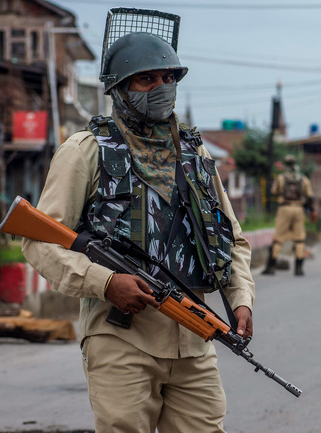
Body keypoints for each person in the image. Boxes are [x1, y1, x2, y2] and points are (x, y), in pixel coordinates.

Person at [21, 21, 255, 433]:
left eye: (168, 77)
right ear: (119, 89)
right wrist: (105, 282)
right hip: (120, 338)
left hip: (194, 336)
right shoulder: (85, 151)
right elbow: (39, 241)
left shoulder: (193, 152)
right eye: (146, 79)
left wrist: (241, 299)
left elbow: (230, 237)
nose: (161, 87)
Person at [262, 154, 315, 276]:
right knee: (300, 238)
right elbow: (310, 196)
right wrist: (311, 209)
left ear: (285, 164)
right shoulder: (303, 179)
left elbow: (274, 191)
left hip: (284, 209)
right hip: (298, 209)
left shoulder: (281, 178)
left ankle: (271, 267)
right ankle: (299, 269)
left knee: (278, 238)